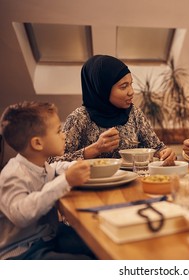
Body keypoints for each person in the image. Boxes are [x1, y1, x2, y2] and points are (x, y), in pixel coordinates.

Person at [0, 101, 95, 260]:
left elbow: (56, 168)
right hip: (21, 252)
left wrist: (80, 166)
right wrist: (66, 180)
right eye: (58, 131)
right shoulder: (12, 175)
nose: (64, 135)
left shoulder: (40, 165)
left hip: (46, 237)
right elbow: (22, 214)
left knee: (93, 241)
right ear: (37, 143)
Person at [53, 55, 175, 164]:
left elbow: (157, 148)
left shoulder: (134, 114)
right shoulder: (79, 118)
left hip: (131, 184)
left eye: (131, 84)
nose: (131, 92)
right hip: (92, 187)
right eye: (123, 86)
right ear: (102, 89)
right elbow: (52, 162)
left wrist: (165, 153)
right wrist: (95, 149)